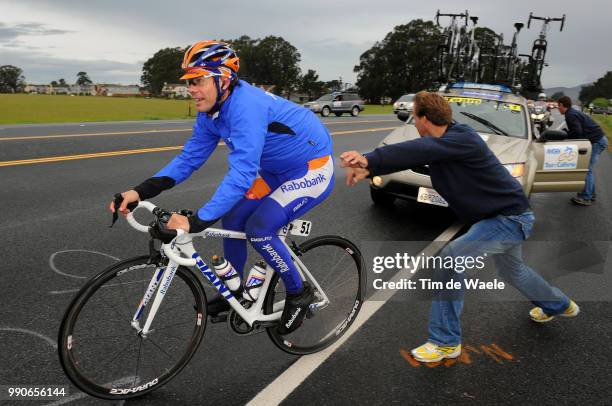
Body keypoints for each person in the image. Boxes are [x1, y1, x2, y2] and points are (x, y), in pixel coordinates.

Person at [109, 40, 334, 335]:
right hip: (275, 171)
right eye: (189, 81)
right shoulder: (211, 112)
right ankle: (236, 291)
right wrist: (139, 191)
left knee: (260, 229)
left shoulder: (246, 107)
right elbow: (189, 158)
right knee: (234, 218)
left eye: (198, 80)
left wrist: (196, 221)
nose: (191, 88)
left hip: (310, 169)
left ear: (223, 79)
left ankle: (298, 292)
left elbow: (242, 174)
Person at [340, 91, 579, 363]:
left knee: (452, 259)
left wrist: (368, 159)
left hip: (508, 219)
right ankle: (560, 305)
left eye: (414, 116)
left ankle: (445, 341)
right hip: (497, 217)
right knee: (513, 271)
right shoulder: (444, 142)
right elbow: (412, 156)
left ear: (424, 119)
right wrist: (370, 169)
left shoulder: (461, 139)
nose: (414, 123)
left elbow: (421, 150)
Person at [557, 96, 608, 206]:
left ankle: (585, 197)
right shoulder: (572, 113)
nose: (558, 108)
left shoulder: (570, 115)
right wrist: (569, 133)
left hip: (596, 141)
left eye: (558, 106)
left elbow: (577, 132)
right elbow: (577, 130)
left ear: (562, 105)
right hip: (599, 139)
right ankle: (590, 194)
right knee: (588, 169)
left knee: (586, 170)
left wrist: (567, 136)